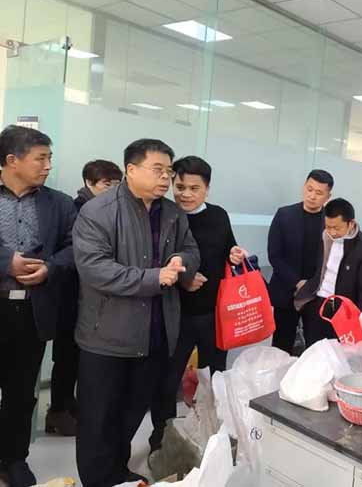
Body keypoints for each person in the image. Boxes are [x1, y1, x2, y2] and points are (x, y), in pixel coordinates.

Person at [72, 139, 200, 487]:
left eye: (168, 171)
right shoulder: (98, 212)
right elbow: (95, 268)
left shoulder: (172, 213)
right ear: (131, 169)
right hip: (107, 337)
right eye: (158, 170)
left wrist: (181, 261)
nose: (166, 178)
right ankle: (97, 480)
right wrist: (153, 278)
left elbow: (191, 250)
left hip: (155, 334)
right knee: (99, 419)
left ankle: (117, 473)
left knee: (130, 415)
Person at [149, 156, 246, 453]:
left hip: (214, 314)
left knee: (215, 377)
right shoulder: (163, 216)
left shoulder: (218, 215)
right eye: (180, 187)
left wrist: (234, 254)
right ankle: (162, 439)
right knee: (167, 380)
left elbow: (228, 247)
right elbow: (152, 261)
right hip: (174, 314)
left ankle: (214, 435)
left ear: (207, 189)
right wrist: (182, 279)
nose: (186, 195)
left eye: (195, 188)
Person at [0, 125, 76, 487]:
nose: (48, 166)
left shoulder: (59, 203)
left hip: (32, 312)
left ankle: (13, 459)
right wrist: (6, 263)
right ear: (12, 160)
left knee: (21, 393)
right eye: (40, 158)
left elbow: (76, 248)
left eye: (49, 158)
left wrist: (50, 268)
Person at [47, 159, 123, 437]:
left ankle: (74, 409)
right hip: (70, 296)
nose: (112, 189)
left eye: (117, 184)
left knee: (85, 359)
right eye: (106, 184)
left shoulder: (113, 211)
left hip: (95, 298)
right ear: (88, 183)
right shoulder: (76, 210)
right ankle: (58, 411)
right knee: (66, 358)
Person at [294, 198, 362, 347]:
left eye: (337, 228)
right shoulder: (325, 237)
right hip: (318, 304)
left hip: (344, 312)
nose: (332, 232)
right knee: (313, 352)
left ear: (351, 223)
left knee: (339, 354)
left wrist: (358, 321)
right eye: (328, 226)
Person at [268, 169, 334, 354]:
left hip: (317, 294)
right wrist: (297, 282)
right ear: (304, 186)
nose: (312, 196)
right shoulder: (284, 215)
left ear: (328, 196)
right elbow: (274, 255)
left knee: (316, 346)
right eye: (309, 189)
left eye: (319, 193)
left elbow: (332, 259)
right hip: (286, 291)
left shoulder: (330, 222)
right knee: (281, 346)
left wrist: (311, 285)